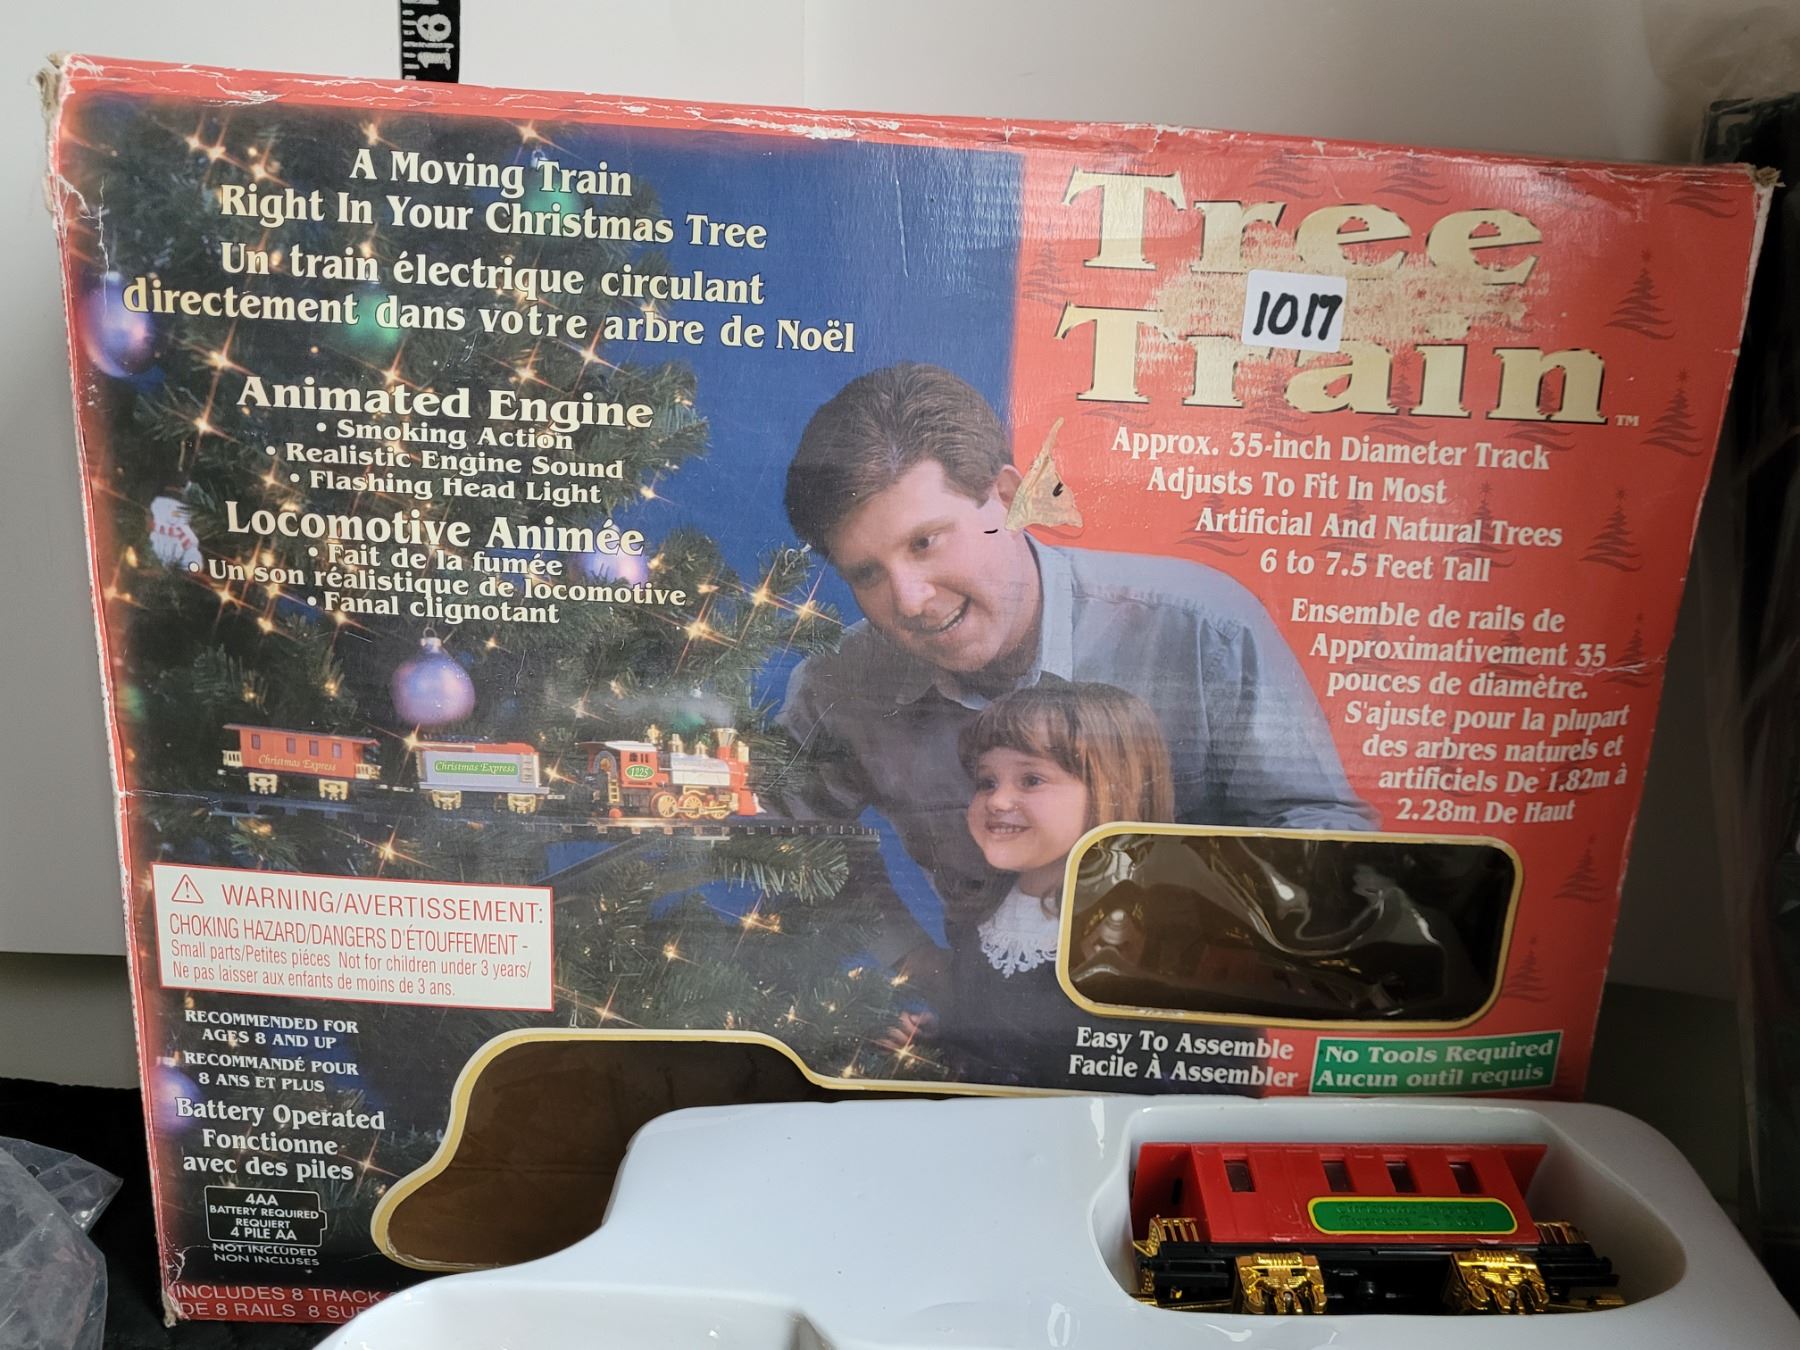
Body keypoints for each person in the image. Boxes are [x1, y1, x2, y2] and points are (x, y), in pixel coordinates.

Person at [772, 362, 1374, 976]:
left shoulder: (1203, 630)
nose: (908, 601)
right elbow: (786, 836)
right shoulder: (838, 685)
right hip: (986, 1017)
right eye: (867, 574)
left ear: (1009, 500)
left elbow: (1323, 830)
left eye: (925, 542)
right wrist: (914, 962)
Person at [944, 682, 1174, 1078]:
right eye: (987, 782)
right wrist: (939, 1041)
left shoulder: (1146, 941)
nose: (997, 801)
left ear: (1112, 790)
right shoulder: (977, 914)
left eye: (1031, 780)